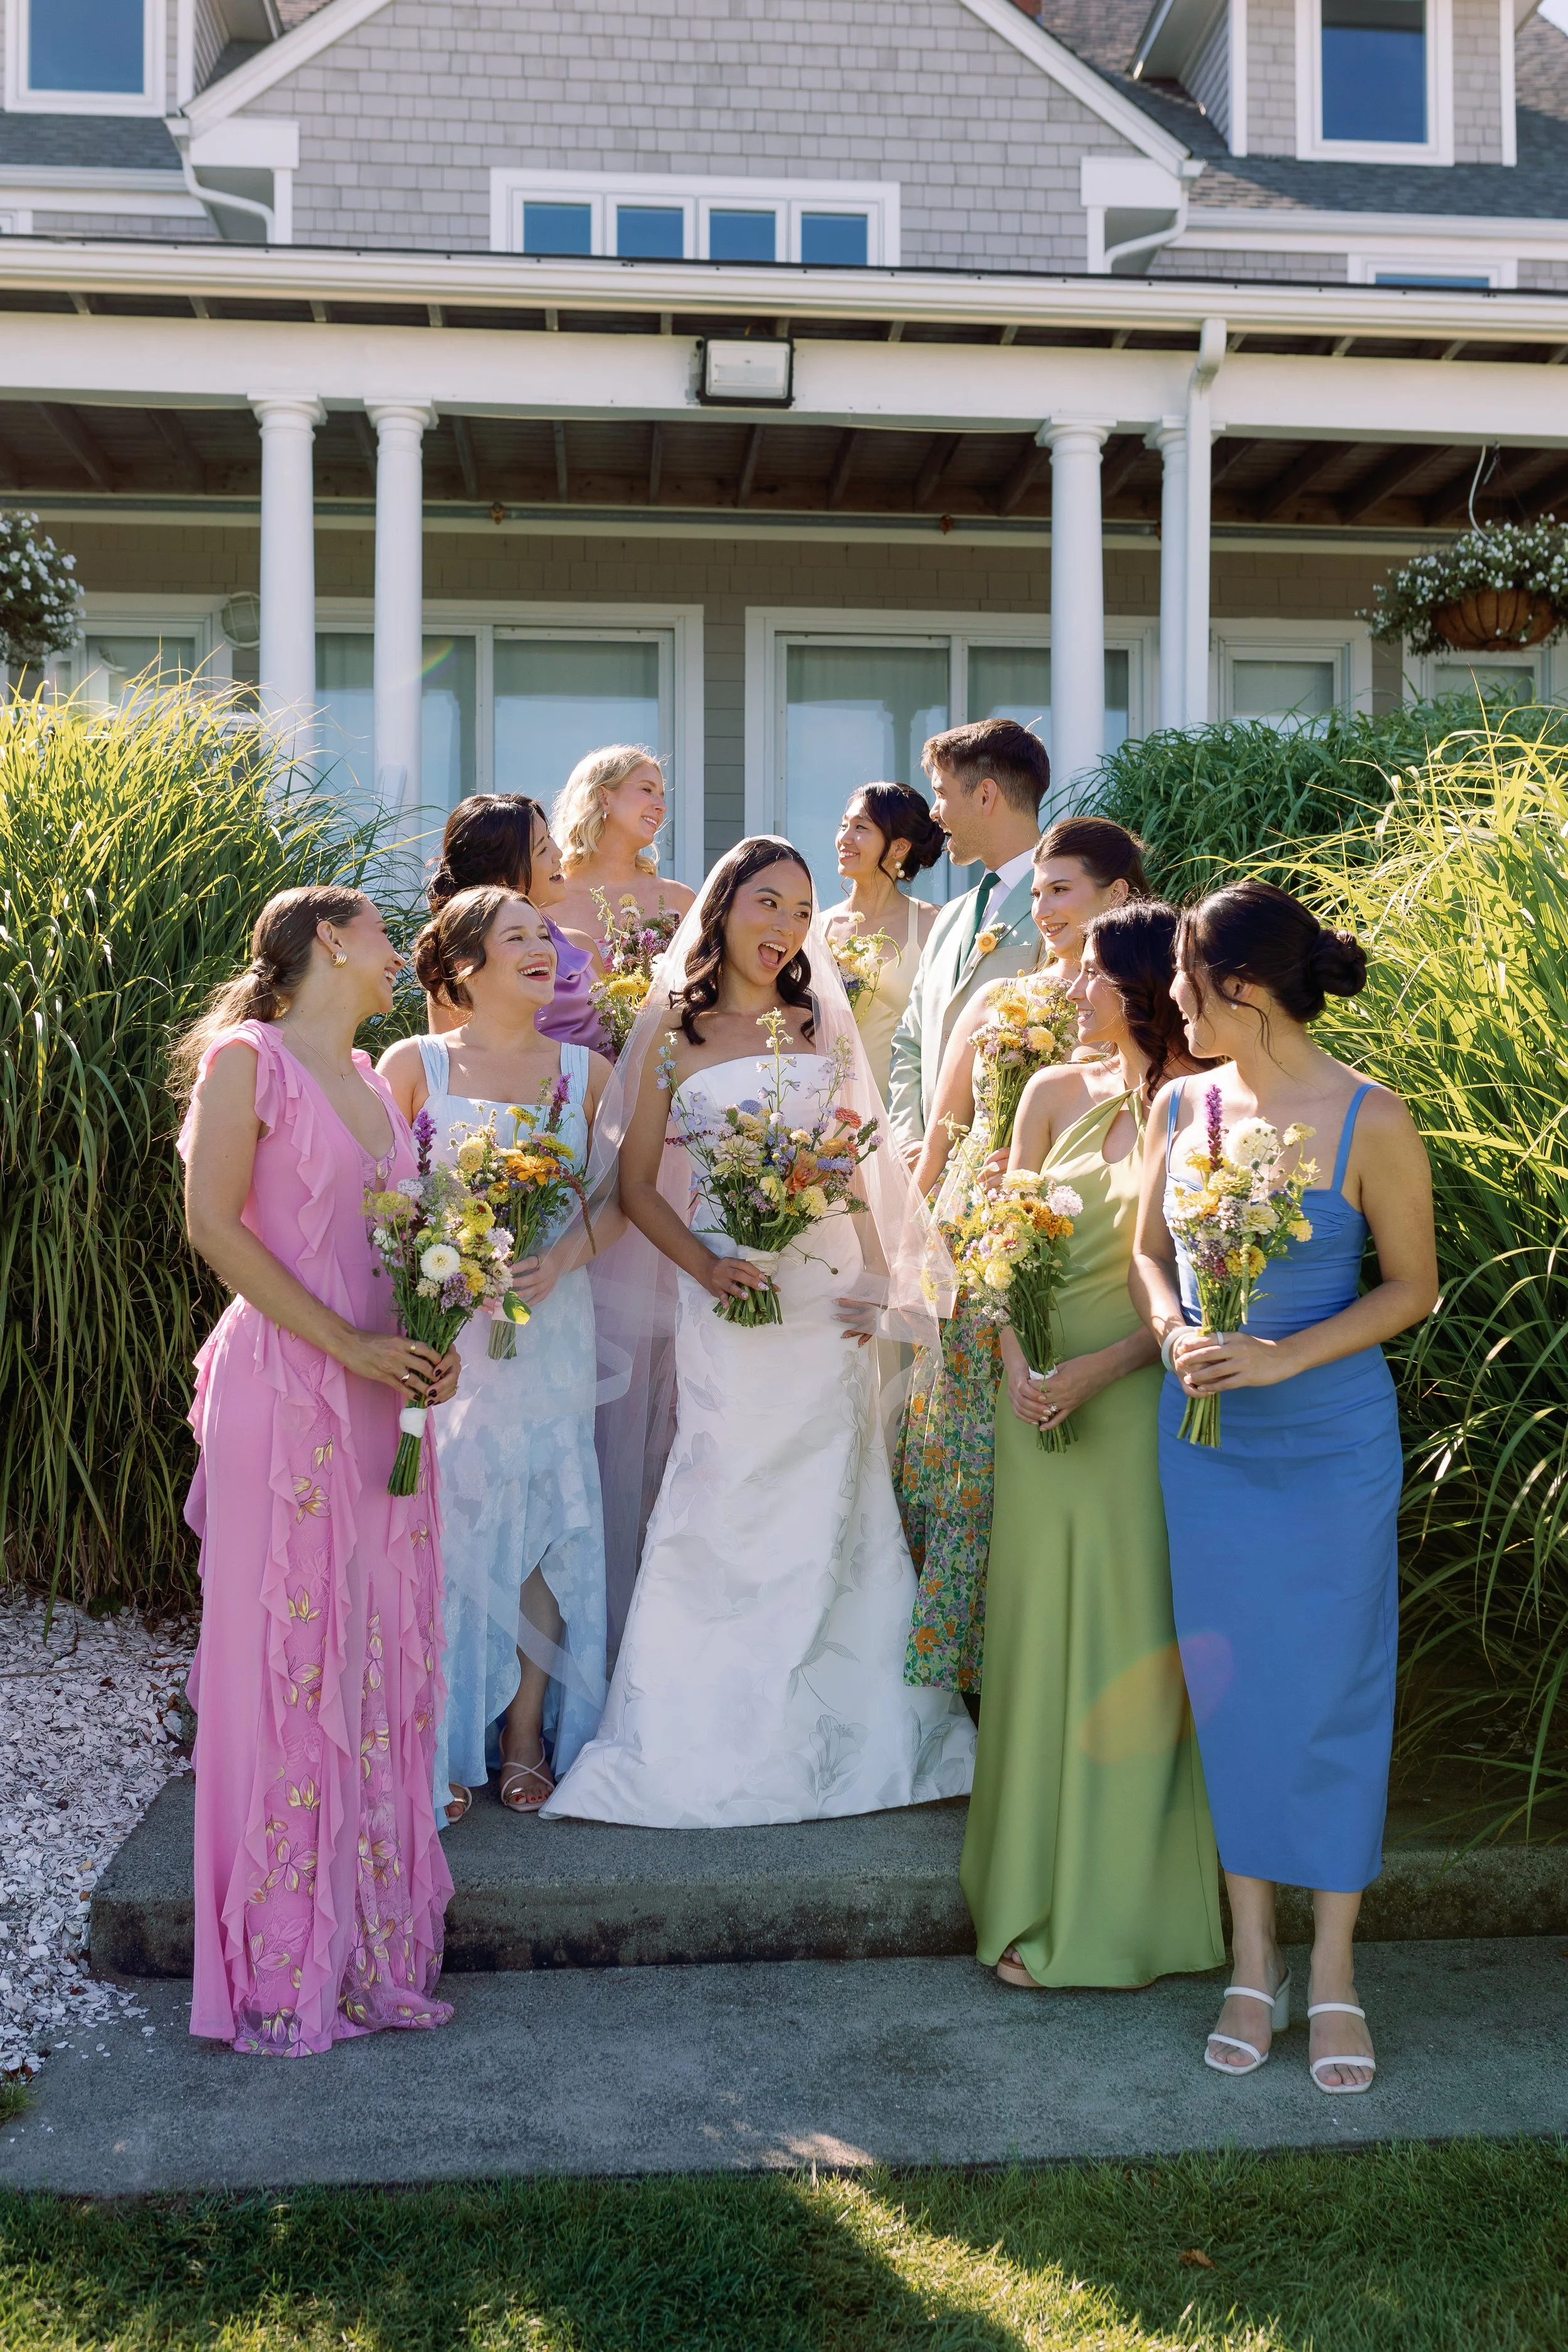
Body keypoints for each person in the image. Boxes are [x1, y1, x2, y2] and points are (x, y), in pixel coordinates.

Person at [542, 837, 976, 1828]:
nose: (785, 928)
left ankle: (850, 1732)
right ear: (725, 906)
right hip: (729, 1290)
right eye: (768, 904)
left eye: (802, 912)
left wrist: (879, 1267)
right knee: (722, 1485)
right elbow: (635, 1187)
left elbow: (854, 1161)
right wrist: (704, 1265)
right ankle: (705, 1734)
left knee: (839, 1487)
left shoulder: (816, 1022)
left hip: (825, 1292)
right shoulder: (670, 1032)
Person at [1131, 880, 1438, 2094]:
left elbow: (1407, 1287)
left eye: (1185, 980)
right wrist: (1170, 1336)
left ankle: (1333, 1974)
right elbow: (1150, 1258)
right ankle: (1249, 1962)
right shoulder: (1177, 1104)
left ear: (1240, 989)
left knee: (1334, 1690)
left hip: (1327, 1443)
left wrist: (1276, 1356)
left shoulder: (1372, 1118)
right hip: (1204, 1442)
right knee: (1233, 1685)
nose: (1169, 999)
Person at [173, 886, 460, 2056]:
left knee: (380, 1654)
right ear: (333, 943)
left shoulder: (373, 1082)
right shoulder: (249, 1061)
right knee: (287, 1657)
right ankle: (281, 1964)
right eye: (388, 936)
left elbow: (399, 1243)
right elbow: (214, 1225)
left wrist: (437, 1335)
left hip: (384, 1397)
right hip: (288, 1391)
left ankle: (367, 1955)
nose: (405, 955)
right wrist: (342, 1342)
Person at [961, 901, 1223, 1990]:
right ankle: (1028, 1896)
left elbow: (1195, 1282)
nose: (1067, 991)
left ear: (1136, 991)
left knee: (1130, 1639)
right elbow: (999, 1235)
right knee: (1035, 1642)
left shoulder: (1206, 1108)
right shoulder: (1048, 1092)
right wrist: (1019, 1364)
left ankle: (1130, 1913)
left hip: (1135, 1404)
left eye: (1086, 976)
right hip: (1034, 1407)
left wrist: (1099, 1372)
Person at [380, 889, 620, 1822]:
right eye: (514, 936)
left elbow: (622, 1198)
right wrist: (443, 1265)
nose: (541, 947)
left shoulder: (589, 1072)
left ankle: (525, 1733)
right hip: (450, 1331)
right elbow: (380, 1200)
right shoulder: (413, 1066)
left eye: (544, 935)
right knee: (447, 1519)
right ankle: (437, 1732)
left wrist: (557, 1255)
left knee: (546, 1517)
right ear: (464, 965)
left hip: (552, 1323)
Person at [897, 818, 1149, 1705]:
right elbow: (945, 1123)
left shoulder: (1149, 992)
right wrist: (914, 1234)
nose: (1041, 908)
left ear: (1118, 894)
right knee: (966, 1441)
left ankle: (1063, 1653)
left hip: (1093, 1237)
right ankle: (974, 1675)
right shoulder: (1007, 993)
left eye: (1061, 890)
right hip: (987, 1234)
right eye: (1036, 891)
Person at [886, 718, 1051, 1165]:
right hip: (927, 1175)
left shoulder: (1063, 910)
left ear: (985, 796)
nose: (934, 812)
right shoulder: (951, 917)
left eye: (941, 793)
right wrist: (909, 1140)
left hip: (1008, 1173)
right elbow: (910, 1040)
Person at [426, 793, 603, 1050]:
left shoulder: (582, 947)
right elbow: (452, 1068)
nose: (558, 853)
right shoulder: (464, 965)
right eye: (541, 848)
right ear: (500, 878)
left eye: (550, 838)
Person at [820, 781, 945, 1099]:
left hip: (903, 1110)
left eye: (860, 827)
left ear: (899, 847)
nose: (844, 839)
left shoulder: (935, 925)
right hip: (824, 1110)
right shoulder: (816, 928)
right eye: (844, 825)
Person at [549, 744, 696, 946]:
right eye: (647, 789)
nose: (662, 807)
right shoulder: (545, 902)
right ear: (604, 797)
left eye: (662, 796)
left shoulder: (680, 901)